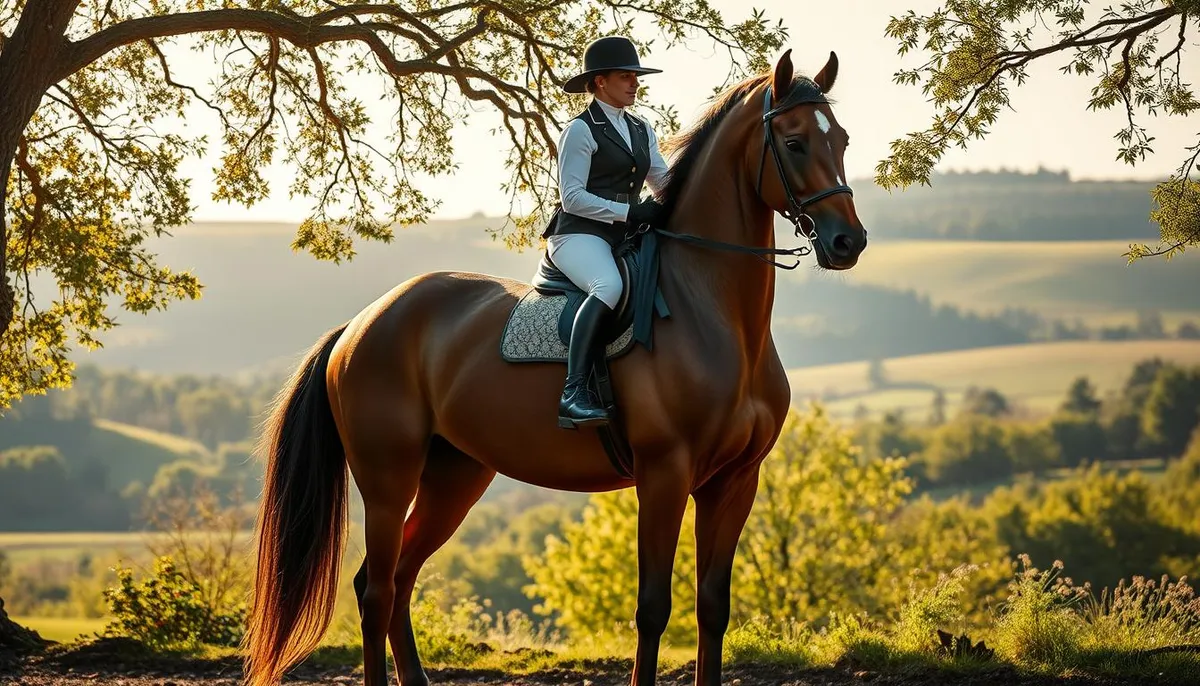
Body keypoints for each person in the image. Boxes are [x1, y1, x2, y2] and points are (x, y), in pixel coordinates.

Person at [543, 35, 671, 429]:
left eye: (636, 76)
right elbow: (573, 197)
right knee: (608, 287)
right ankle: (574, 392)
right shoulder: (580, 130)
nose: (634, 83)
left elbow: (662, 180)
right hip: (578, 235)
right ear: (600, 82)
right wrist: (630, 212)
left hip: (622, 235)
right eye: (625, 76)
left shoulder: (640, 127)